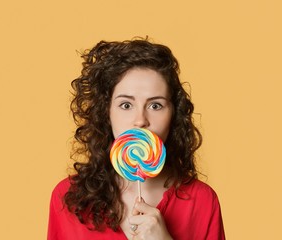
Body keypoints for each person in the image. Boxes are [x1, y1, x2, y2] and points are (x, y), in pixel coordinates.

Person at [47, 38, 225, 240]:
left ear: (174, 114)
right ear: (107, 112)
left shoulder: (202, 201)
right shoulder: (67, 198)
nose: (140, 121)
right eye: (126, 105)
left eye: (155, 105)